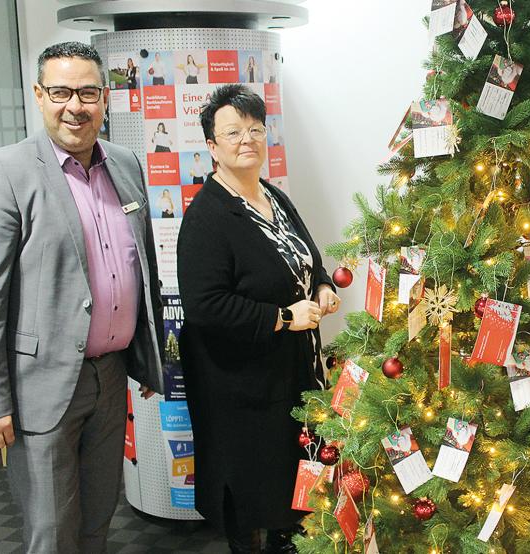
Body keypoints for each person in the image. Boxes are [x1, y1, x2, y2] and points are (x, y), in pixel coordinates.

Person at [0, 41, 164, 553]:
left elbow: (141, 264)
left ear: (106, 97)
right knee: (51, 532)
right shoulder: (3, 171)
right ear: (39, 95)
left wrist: (150, 359)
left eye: (88, 92)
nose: (76, 105)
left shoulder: (125, 162)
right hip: (39, 384)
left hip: (111, 375)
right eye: (61, 92)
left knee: (98, 520)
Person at [176, 84, 340, 554]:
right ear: (212, 146)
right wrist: (285, 317)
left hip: (292, 374)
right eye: (232, 132)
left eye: (254, 129)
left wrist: (323, 285)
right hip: (241, 387)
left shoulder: (273, 196)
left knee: (294, 491)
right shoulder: (207, 217)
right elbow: (206, 306)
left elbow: (306, 258)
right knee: (252, 496)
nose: (246, 139)